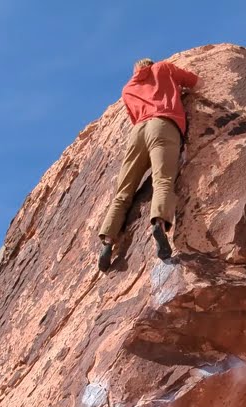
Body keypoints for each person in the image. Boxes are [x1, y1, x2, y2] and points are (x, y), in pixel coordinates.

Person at [97, 57, 199, 271]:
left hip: (138, 133)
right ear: (151, 64)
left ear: (135, 70)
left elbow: (134, 116)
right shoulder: (163, 68)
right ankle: (159, 224)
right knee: (163, 180)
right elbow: (192, 80)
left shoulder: (128, 89)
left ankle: (107, 241)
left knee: (123, 191)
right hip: (163, 125)